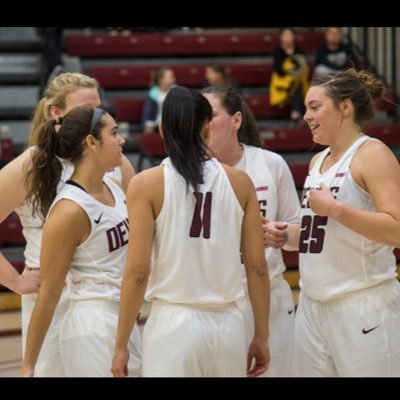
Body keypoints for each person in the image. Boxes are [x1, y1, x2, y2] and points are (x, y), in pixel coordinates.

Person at [112, 86, 270, 377]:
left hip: (174, 324)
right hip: (230, 326)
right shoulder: (241, 182)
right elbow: (258, 268)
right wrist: (261, 335)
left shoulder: (146, 184)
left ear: (162, 129)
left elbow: (137, 271)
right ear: (207, 128)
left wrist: (121, 343)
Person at [0, 72, 136, 377]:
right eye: (84, 110)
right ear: (56, 113)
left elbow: (150, 217)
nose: (94, 116)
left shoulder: (115, 161)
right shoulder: (32, 164)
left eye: (98, 108)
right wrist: (14, 282)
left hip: (104, 298)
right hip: (52, 298)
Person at [267, 68, 400, 376]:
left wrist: (337, 210)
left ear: (345, 107)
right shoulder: (318, 161)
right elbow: (322, 232)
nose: (306, 116)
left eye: (315, 107)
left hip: (362, 305)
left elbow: (396, 230)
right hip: (313, 306)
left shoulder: (372, 153)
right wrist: (285, 234)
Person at [202, 86, 300, 376]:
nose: (204, 123)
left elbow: (298, 232)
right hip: (217, 299)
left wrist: (283, 235)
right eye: (200, 116)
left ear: (236, 120)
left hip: (270, 296)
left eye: (212, 115)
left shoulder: (270, 164)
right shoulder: (188, 173)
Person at [269, 28, 309, 122]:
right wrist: (291, 71)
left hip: (297, 79)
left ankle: (296, 113)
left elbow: (303, 67)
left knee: (297, 84)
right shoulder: (278, 51)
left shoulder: (300, 51)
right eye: (285, 35)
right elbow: (278, 69)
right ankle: (297, 113)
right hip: (282, 80)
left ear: (294, 36)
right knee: (294, 84)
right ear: (281, 37)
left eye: (290, 35)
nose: (288, 37)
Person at [141, 66, 176, 133]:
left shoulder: (177, 91)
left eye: (173, 76)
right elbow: (147, 113)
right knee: (148, 126)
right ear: (161, 79)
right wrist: (148, 124)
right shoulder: (153, 94)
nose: (173, 79)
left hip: (173, 123)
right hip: (157, 124)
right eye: (170, 77)